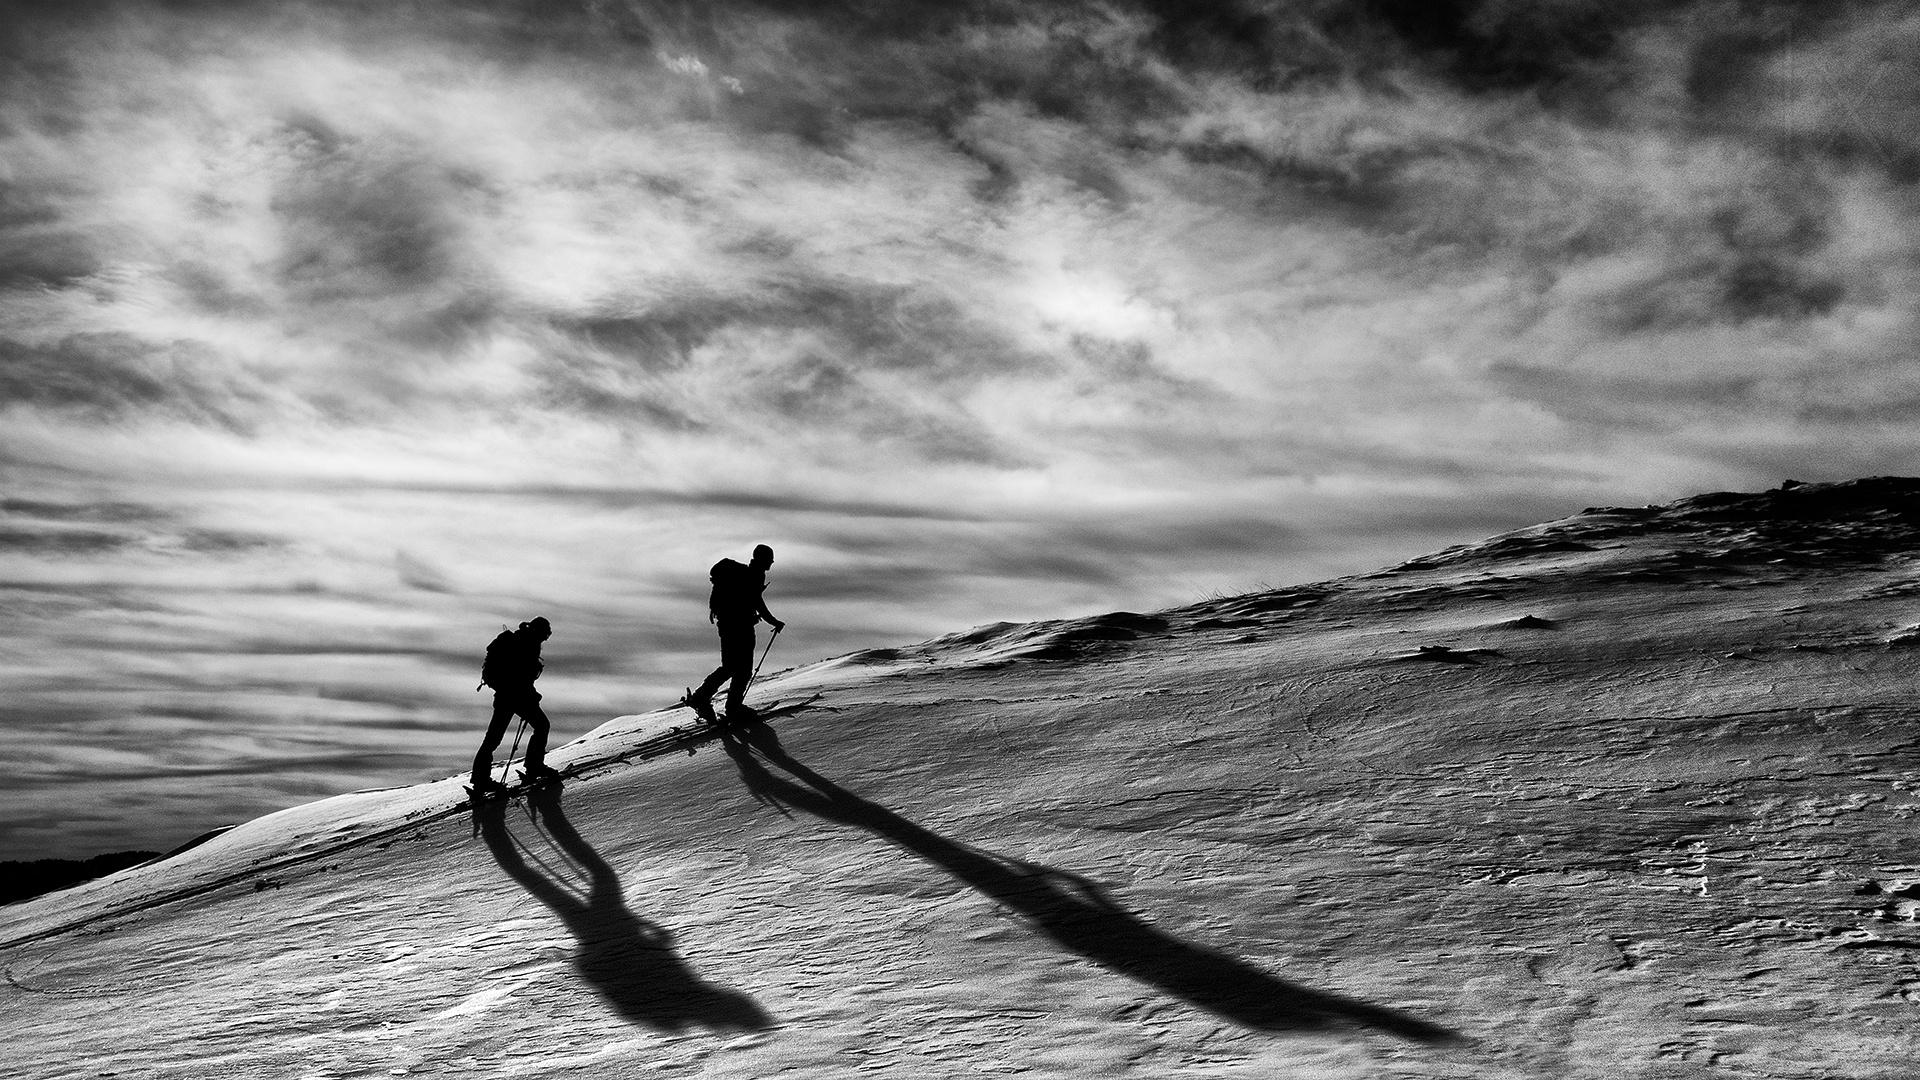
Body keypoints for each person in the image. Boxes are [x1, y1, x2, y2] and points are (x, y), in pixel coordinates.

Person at [686, 545, 785, 723]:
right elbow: (757, 602)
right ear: (762, 559)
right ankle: (732, 708)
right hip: (741, 627)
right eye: (769, 560)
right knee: (743, 670)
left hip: (726, 626)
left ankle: (702, 697)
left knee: (730, 666)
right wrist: (774, 621)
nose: (771, 563)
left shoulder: (742, 574)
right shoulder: (754, 575)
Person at [471, 616, 555, 795]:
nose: (545, 638)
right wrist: (531, 695)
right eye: (545, 634)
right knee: (542, 726)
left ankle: (480, 781)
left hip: (505, 696)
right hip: (516, 696)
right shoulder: (527, 644)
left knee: (492, 739)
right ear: (539, 631)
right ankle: (534, 767)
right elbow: (521, 676)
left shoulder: (520, 639)